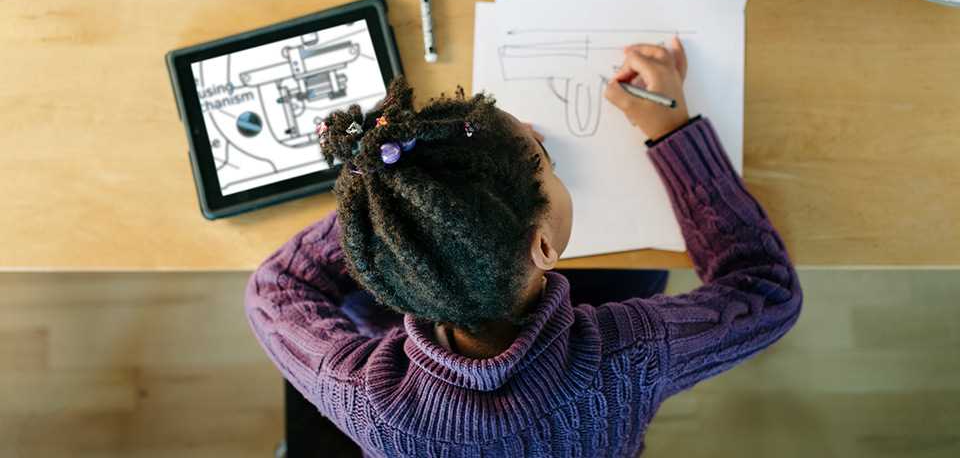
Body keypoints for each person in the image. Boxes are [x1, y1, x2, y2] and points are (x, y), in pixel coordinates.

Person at [246, 37, 802, 457]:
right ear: (542, 245)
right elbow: (767, 291)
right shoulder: (627, 358)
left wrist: (394, 206)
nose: (546, 157)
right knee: (638, 273)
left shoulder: (363, 396)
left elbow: (274, 287)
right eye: (546, 165)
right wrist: (674, 133)